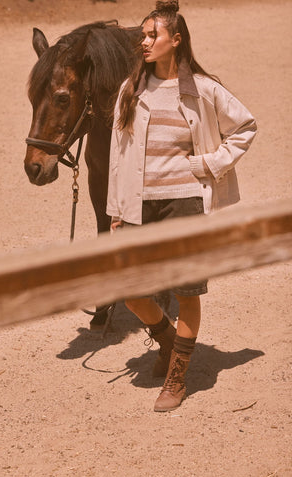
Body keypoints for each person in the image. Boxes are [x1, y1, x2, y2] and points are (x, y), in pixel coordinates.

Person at [106, 0, 257, 412]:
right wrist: (116, 212)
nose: (145, 41)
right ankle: (171, 341)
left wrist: (209, 164)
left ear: (177, 40)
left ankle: (177, 377)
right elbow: (119, 156)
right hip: (139, 206)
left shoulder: (203, 89)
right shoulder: (130, 90)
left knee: (187, 291)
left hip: (185, 204)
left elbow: (246, 126)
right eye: (143, 35)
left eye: (152, 35)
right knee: (131, 291)